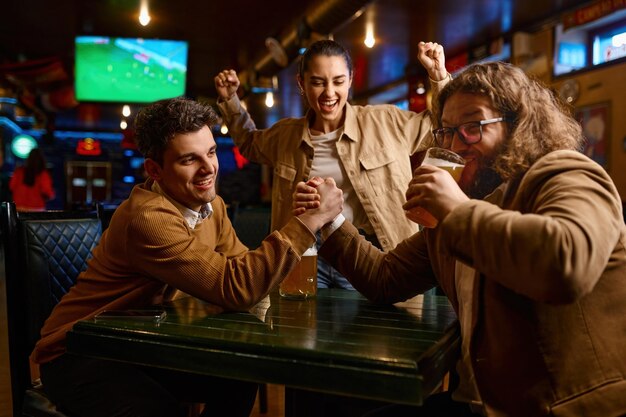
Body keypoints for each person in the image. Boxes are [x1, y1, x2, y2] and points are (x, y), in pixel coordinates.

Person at [295, 61, 626, 416]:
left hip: (567, 406)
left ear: (518, 127)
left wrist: (454, 211)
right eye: (447, 132)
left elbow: (566, 266)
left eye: (472, 127)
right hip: (482, 402)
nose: (455, 145)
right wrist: (330, 221)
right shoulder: (459, 213)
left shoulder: (566, 174)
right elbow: (385, 278)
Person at [31, 97, 343, 417]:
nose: (209, 167)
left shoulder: (212, 206)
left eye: (210, 152)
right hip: (80, 355)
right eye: (188, 160)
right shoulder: (149, 218)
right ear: (155, 170)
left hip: (139, 345)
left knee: (239, 375)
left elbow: (239, 267)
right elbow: (237, 287)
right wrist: (309, 222)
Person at [214, 39, 450, 290]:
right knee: (299, 325)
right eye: (317, 82)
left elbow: (440, 125)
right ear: (301, 84)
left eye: (338, 81)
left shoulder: (386, 121)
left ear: (350, 80)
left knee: (377, 329)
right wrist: (231, 101)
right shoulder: (286, 135)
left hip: (373, 257)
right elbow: (250, 143)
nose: (329, 93)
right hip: (307, 257)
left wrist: (439, 76)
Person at [9, 147, 55, 211]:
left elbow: (11, 187)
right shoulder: (43, 174)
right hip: (36, 208)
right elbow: (47, 192)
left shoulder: (19, 171)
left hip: (19, 207)